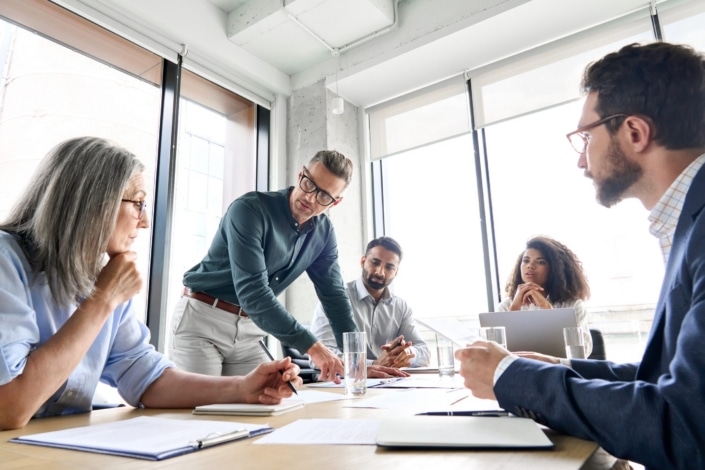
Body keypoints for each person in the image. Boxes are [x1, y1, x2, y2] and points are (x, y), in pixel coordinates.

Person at [455, 42, 705, 469]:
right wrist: (561, 366)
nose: (581, 161)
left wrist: (508, 376)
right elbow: (666, 381)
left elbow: (684, 424)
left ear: (634, 132)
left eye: (586, 137)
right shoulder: (686, 225)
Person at [0, 137, 301, 431]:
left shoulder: (104, 276)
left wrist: (243, 388)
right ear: (93, 204)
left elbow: (144, 376)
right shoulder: (7, 261)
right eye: (139, 204)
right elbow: (9, 407)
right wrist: (102, 301)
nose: (144, 223)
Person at [171, 150, 403, 381]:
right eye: (309, 184)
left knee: (269, 407)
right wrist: (313, 346)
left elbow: (334, 297)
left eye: (324, 196)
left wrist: (357, 363)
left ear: (336, 202)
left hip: (249, 332)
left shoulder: (323, 233)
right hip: (203, 320)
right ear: (301, 174)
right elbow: (254, 293)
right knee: (202, 411)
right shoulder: (249, 210)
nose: (310, 198)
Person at [310, 236, 430, 369]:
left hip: (388, 383)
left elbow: (424, 353)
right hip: (345, 383)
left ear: (396, 272)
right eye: (375, 263)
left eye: (389, 267)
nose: (380, 272)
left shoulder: (401, 307)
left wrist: (407, 353)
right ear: (363, 261)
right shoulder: (334, 298)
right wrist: (372, 365)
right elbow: (320, 356)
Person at [498, 235, 592, 355]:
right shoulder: (506, 306)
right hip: (521, 372)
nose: (530, 266)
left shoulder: (572, 306)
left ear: (554, 269)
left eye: (540, 262)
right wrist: (513, 313)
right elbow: (497, 356)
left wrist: (548, 310)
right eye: (526, 260)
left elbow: (581, 352)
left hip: (558, 371)